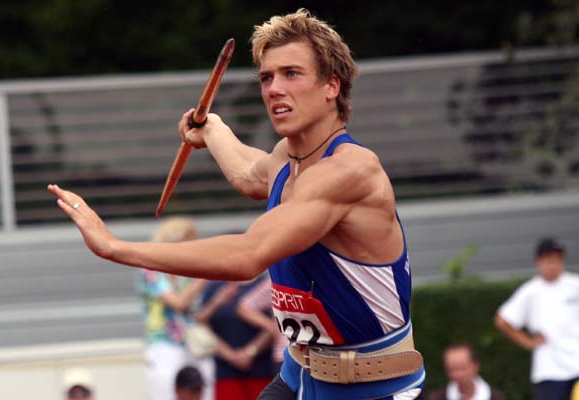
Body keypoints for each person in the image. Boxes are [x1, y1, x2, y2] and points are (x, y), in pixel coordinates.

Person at [47, 8, 425, 399]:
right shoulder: (286, 159)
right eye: (266, 77)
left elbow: (247, 255)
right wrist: (212, 129)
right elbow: (250, 174)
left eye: (291, 74)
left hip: (371, 387)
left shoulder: (349, 171)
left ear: (331, 86)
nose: (274, 88)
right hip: (300, 376)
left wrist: (115, 247)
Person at [136, 217, 215, 400]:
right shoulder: (151, 270)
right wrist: (206, 275)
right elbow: (179, 303)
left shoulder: (188, 270)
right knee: (164, 392)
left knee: (204, 390)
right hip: (164, 341)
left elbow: (195, 311)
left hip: (193, 341)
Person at [495, 237, 579, 400]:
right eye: (549, 260)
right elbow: (502, 320)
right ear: (539, 262)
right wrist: (527, 342)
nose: (554, 265)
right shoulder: (531, 291)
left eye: (557, 260)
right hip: (548, 370)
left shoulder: (575, 284)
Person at [196, 276, 274, 400]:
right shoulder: (214, 287)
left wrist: (250, 352)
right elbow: (201, 323)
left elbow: (276, 324)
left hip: (262, 371)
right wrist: (230, 355)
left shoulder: (266, 283)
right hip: (226, 373)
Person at [236, 273, 288, 375]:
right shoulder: (279, 278)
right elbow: (244, 307)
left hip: (317, 356)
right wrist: (272, 327)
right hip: (285, 355)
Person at [427, 343, 505, 400]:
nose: (457, 374)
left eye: (462, 368)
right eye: (451, 369)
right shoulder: (438, 397)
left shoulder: (494, 397)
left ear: (476, 366)